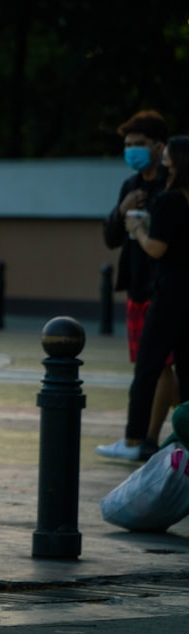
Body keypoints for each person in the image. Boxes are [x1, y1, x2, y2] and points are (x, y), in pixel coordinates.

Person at [97, 110, 177, 461]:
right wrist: (122, 210)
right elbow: (111, 239)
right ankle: (152, 435)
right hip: (136, 287)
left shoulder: (172, 186)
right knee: (152, 367)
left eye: (138, 145)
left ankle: (145, 437)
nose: (131, 151)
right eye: (127, 145)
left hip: (166, 289)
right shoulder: (130, 187)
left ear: (159, 147)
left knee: (159, 366)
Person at [111, 136, 189, 464]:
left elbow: (157, 248)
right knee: (184, 367)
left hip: (168, 291)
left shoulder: (169, 199)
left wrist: (138, 230)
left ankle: (135, 437)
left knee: (148, 366)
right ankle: (183, 440)